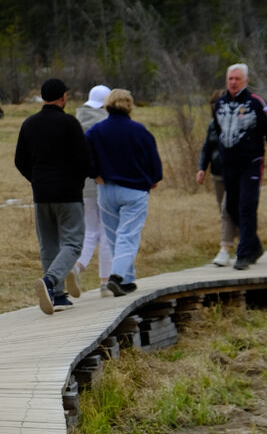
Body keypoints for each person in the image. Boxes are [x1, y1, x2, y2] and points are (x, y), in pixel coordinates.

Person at [14, 77, 91, 315]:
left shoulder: (29, 123)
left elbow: (20, 160)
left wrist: (36, 180)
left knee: (48, 245)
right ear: (63, 97)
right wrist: (77, 181)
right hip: (68, 193)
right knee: (73, 242)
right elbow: (84, 159)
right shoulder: (69, 123)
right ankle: (50, 282)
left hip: (42, 193)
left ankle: (57, 296)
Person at [86, 89, 162, 296]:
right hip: (134, 191)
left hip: (106, 189)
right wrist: (154, 179)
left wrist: (94, 173)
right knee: (128, 235)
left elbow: (84, 154)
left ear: (107, 105)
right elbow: (154, 160)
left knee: (113, 237)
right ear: (129, 105)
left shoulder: (96, 131)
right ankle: (117, 277)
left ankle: (126, 281)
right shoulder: (140, 131)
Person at [211, 63, 267, 270]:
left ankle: (243, 253)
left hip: (251, 163)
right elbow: (217, 131)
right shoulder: (220, 103)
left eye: (237, 79)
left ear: (245, 80)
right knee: (232, 207)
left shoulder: (257, 103)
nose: (233, 82)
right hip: (228, 164)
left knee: (247, 206)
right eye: (230, 79)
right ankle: (254, 245)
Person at [75, 84, 113, 295]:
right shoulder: (106, 124)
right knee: (106, 231)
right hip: (103, 182)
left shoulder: (76, 121)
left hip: (82, 185)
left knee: (90, 231)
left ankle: (77, 267)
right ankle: (105, 282)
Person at [196, 89, 238, 266]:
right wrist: (201, 168)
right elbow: (207, 148)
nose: (216, 109)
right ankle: (247, 242)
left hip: (235, 173)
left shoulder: (237, 122)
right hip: (217, 174)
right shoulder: (213, 124)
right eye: (213, 106)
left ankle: (225, 249)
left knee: (227, 209)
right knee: (226, 212)